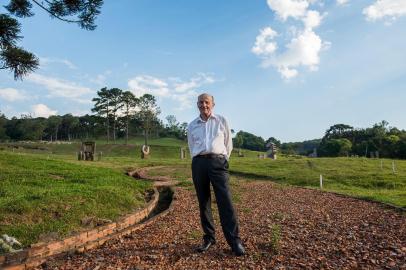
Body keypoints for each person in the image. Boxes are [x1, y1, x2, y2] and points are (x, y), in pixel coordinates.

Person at [187, 93, 245, 256]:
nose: (203, 105)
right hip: (199, 163)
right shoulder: (192, 125)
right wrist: (198, 160)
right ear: (197, 104)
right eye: (200, 102)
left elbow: (228, 144)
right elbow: (192, 147)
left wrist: (223, 159)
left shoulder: (222, 120)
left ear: (213, 104)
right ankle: (209, 238)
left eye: (207, 102)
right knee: (203, 201)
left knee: (225, 201)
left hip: (218, 162)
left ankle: (234, 241)